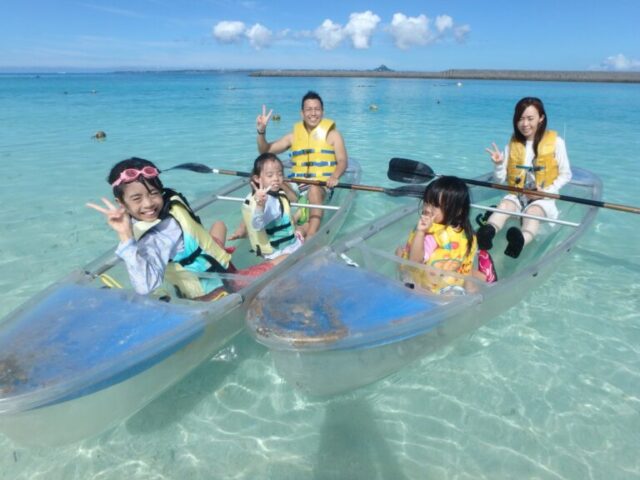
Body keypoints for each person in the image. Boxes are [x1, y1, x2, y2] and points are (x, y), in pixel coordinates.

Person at [87, 157, 237, 301]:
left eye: (153, 193)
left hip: (218, 266)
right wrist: (125, 235)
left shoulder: (168, 204)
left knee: (219, 225)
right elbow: (145, 287)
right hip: (211, 294)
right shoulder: (152, 238)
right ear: (121, 203)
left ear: (161, 191)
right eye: (137, 198)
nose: (148, 204)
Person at [478, 97, 572, 258]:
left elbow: (566, 174)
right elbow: (500, 181)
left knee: (534, 211)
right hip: (517, 195)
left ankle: (521, 241)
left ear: (541, 118)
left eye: (530, 118)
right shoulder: (512, 145)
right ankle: (488, 233)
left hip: (543, 199)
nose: (525, 124)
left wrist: (545, 192)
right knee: (505, 205)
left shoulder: (557, 142)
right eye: (520, 119)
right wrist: (499, 164)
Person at [256, 90, 348, 237]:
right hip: (296, 187)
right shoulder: (293, 136)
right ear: (302, 113)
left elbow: (343, 160)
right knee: (273, 182)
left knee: (314, 189)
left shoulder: (334, 135)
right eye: (309, 109)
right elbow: (265, 150)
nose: (313, 113)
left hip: (321, 186)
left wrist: (335, 176)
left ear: (322, 112)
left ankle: (310, 235)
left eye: (317, 109)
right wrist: (261, 131)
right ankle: (263, 223)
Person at [396, 176, 479, 293]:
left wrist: (420, 232)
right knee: (476, 275)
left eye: (435, 205)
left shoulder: (431, 235)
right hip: (450, 289)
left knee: (399, 252)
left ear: (457, 211)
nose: (427, 209)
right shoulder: (467, 235)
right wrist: (471, 290)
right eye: (426, 203)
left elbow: (414, 261)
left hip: (424, 289)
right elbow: (466, 268)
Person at [241, 152, 304, 259]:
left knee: (302, 229)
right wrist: (260, 205)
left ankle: (300, 222)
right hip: (277, 253)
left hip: (290, 244)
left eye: (279, 174)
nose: (276, 178)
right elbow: (257, 225)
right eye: (270, 175)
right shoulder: (264, 200)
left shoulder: (279, 194)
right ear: (257, 179)